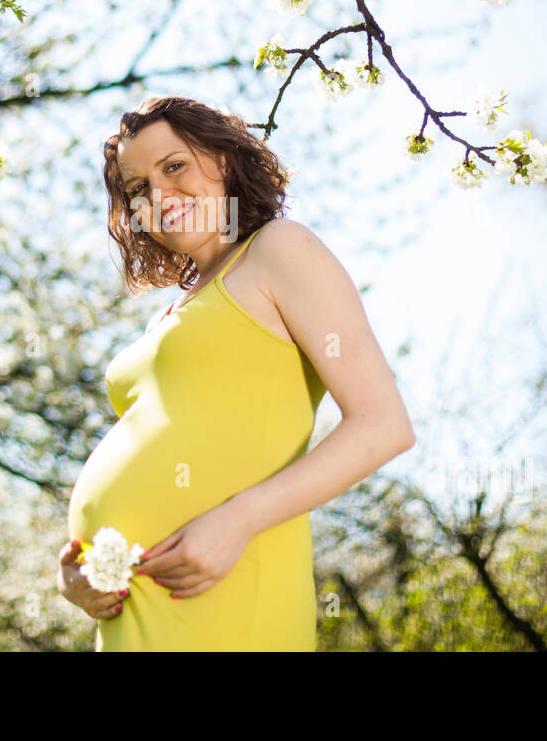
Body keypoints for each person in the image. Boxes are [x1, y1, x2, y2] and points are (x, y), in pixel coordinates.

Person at [58, 95, 415, 650]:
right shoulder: (167, 315)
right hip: (133, 614)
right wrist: (80, 577)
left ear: (223, 159)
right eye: (137, 188)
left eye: (173, 166)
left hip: (228, 585)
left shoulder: (279, 249)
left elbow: (383, 424)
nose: (157, 194)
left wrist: (238, 521)